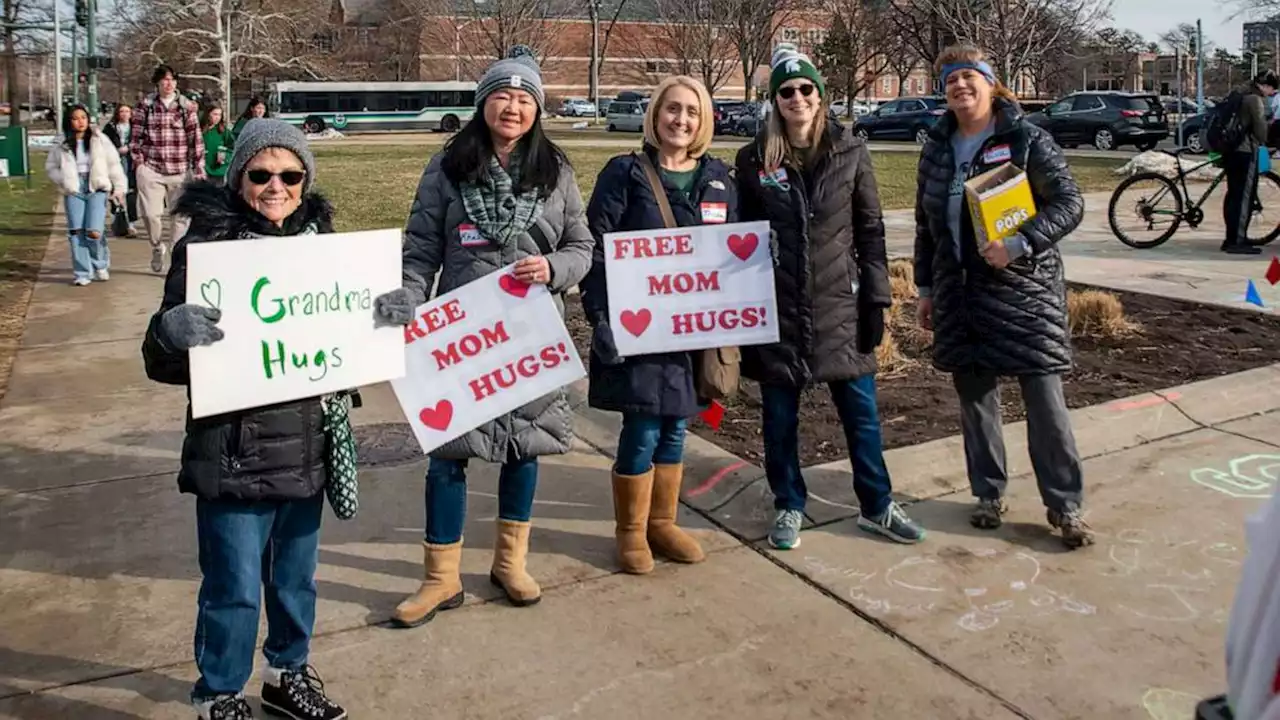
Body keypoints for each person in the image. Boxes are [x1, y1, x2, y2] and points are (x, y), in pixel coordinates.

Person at [372, 46, 594, 627]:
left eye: (525, 98)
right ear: (482, 103)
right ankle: (440, 578)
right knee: (448, 458)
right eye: (503, 95)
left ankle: (509, 563)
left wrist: (553, 270)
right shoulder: (447, 168)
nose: (513, 107)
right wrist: (408, 297)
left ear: (537, 108)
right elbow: (420, 250)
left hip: (527, 336)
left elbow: (582, 248)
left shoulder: (557, 173)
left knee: (525, 450)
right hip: (462, 340)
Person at [141, 119, 347, 720]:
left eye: (291, 174)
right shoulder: (205, 249)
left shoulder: (324, 246)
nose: (276, 186)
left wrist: (382, 317)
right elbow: (161, 359)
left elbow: (346, 337)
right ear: (239, 179)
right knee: (231, 589)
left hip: (305, 450)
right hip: (231, 450)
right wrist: (170, 333)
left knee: (295, 582)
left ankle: (287, 674)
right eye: (261, 174)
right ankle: (220, 693)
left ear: (306, 181)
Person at [735, 44, 925, 551]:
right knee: (778, 420)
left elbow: (871, 229)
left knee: (860, 416)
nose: (797, 98)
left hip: (840, 307)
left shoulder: (850, 150)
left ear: (820, 95)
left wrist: (877, 300)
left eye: (806, 89)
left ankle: (877, 504)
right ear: (774, 100)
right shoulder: (754, 160)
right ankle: (789, 503)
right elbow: (741, 237)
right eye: (786, 91)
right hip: (778, 312)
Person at [913, 44, 1092, 549]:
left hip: (1025, 293)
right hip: (960, 293)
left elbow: (1069, 204)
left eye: (970, 76)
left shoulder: (1026, 139)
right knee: (976, 403)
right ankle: (988, 493)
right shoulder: (937, 147)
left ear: (991, 83)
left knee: (1044, 402)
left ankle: (1065, 505)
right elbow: (928, 229)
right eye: (950, 80)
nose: (960, 87)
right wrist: (926, 289)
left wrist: (1019, 243)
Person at [579, 75, 734, 574]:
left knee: (677, 427)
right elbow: (596, 248)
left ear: (703, 120)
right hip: (639, 330)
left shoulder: (719, 179)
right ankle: (629, 532)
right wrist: (600, 317)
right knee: (642, 426)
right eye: (672, 109)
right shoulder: (625, 173)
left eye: (691, 111)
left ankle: (662, 522)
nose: (681, 120)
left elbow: (733, 252)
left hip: (695, 335)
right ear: (655, 114)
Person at [133, 64, 205, 274]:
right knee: (150, 215)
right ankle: (157, 246)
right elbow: (135, 138)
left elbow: (196, 139)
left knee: (181, 218)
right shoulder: (145, 106)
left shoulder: (186, 107)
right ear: (157, 82)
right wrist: (139, 164)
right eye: (164, 80)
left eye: (172, 80)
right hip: (152, 169)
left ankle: (176, 257)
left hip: (180, 169)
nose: (169, 83)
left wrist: (198, 167)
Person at [45, 104, 126, 286]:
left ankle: (100, 264)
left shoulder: (99, 138)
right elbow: (50, 167)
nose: (80, 122)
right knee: (76, 231)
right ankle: (82, 271)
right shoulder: (62, 141)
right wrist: (64, 180)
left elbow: (114, 164)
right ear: (69, 121)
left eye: (83, 117)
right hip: (74, 189)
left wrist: (119, 188)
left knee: (94, 231)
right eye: (75, 118)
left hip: (96, 187)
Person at [1222, 72, 1277, 255]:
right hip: (1244, 151)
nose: (1271, 93)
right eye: (1272, 89)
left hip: (1230, 150)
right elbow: (1261, 131)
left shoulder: (1239, 92)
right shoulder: (1254, 99)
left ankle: (1231, 238)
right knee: (1244, 197)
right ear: (1264, 85)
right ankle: (1237, 242)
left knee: (1233, 195)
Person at [102, 103, 140, 237]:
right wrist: (114, 150)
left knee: (131, 193)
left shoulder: (135, 127)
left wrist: (130, 147)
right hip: (115, 161)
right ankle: (116, 220)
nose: (124, 114)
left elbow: (141, 140)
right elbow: (104, 143)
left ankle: (131, 223)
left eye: (127, 111)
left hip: (131, 161)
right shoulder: (110, 127)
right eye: (122, 111)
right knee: (116, 192)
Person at [201, 104, 235, 185]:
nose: (217, 117)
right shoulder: (200, 130)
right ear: (208, 114)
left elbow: (234, 148)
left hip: (219, 172)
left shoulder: (224, 131)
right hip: (203, 171)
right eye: (215, 114)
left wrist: (225, 155)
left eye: (219, 114)